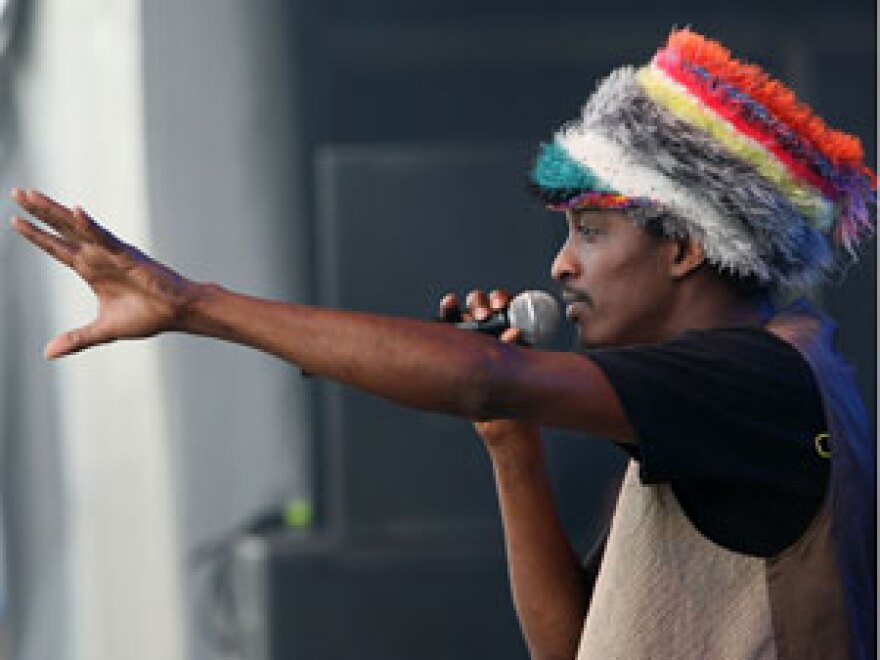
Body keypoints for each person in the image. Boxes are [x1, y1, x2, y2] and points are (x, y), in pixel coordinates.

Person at [8, 28, 875, 660]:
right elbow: (570, 649)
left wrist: (189, 302)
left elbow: (482, 378)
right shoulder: (712, 400)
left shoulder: (758, 379)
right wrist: (509, 441)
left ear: (684, 246)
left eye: (590, 233)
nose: (561, 264)